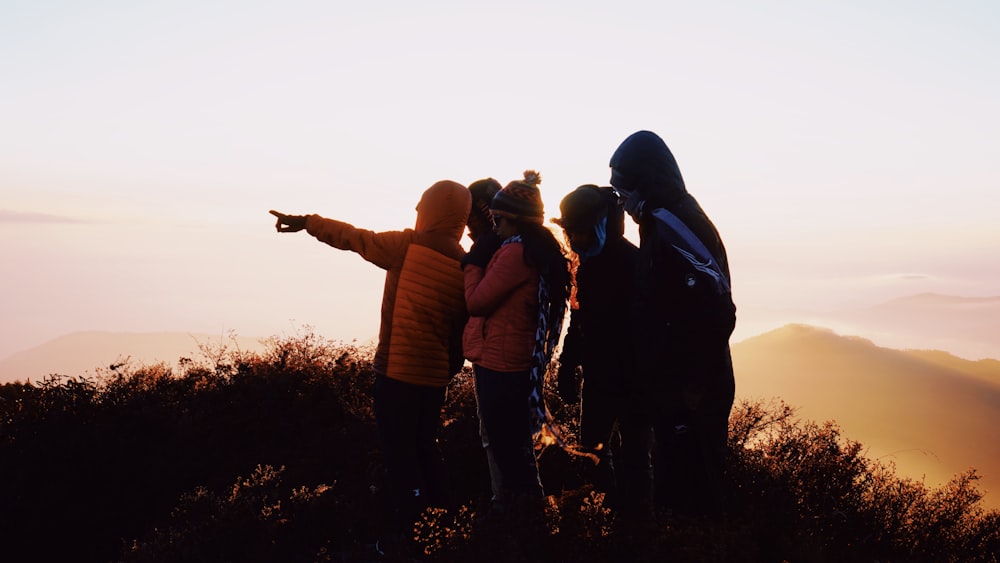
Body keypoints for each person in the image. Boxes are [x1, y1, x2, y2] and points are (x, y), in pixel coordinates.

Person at [268, 180, 471, 552]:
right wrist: (447, 368)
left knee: (400, 453)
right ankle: (443, 525)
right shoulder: (464, 263)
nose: (415, 210)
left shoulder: (407, 246)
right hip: (434, 379)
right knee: (426, 446)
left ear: (432, 210)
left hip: (397, 374)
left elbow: (353, 238)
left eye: (421, 204)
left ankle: (410, 535)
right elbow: (460, 330)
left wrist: (309, 222)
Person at [608, 130, 736, 522]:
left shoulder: (674, 224)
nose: (621, 201)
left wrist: (692, 384)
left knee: (695, 496)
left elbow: (716, 307)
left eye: (623, 189)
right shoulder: (661, 221)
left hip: (691, 390)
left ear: (644, 183)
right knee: (680, 492)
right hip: (675, 387)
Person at [461, 170, 571, 522]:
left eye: (498, 218)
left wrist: (472, 265)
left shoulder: (514, 253)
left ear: (513, 219)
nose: (494, 226)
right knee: (517, 447)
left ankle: (523, 522)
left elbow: (477, 302)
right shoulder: (536, 249)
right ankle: (528, 519)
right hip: (519, 360)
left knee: (509, 449)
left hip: (501, 363)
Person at [552, 184, 654, 519]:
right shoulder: (588, 263)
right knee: (595, 456)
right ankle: (610, 522)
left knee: (634, 458)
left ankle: (633, 528)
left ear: (598, 223)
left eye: (578, 231)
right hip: (602, 379)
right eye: (570, 232)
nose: (574, 238)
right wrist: (568, 366)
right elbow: (579, 318)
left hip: (633, 381)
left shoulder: (632, 263)